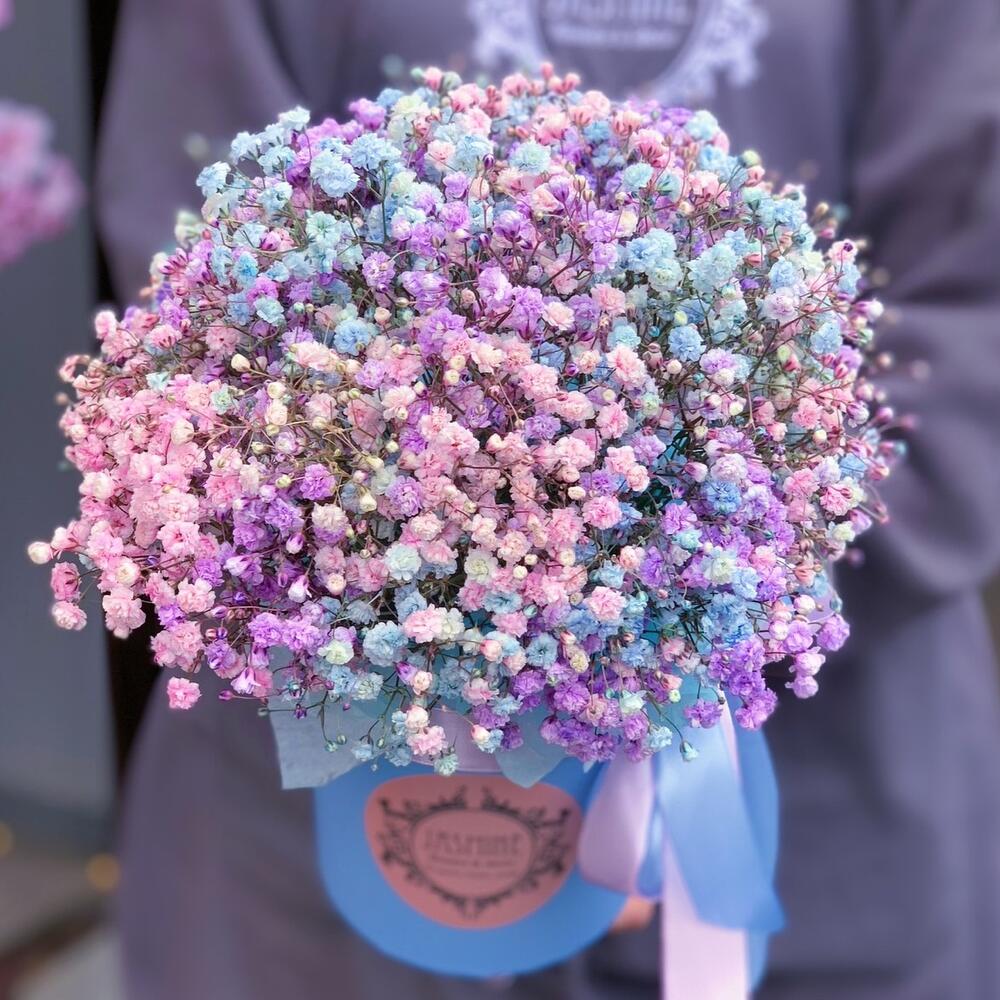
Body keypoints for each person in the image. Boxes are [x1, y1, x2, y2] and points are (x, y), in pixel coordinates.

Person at [96, 2, 1000, 997]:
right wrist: (449, 646)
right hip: (327, 776)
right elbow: (198, 257)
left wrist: (688, 621)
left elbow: (972, 309)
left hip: (825, 778)